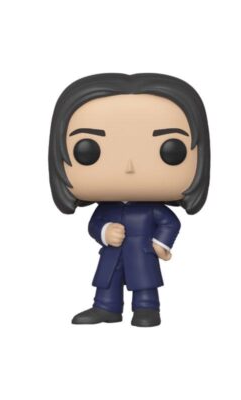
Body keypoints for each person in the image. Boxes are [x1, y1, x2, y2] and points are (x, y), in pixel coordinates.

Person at [48, 73, 210, 327]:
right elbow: (94, 225)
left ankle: (147, 309)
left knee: (145, 284)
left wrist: (160, 243)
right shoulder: (107, 208)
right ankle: (106, 308)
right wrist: (104, 231)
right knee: (107, 282)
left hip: (143, 254)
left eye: (171, 151)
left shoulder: (152, 210)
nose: (129, 166)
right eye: (88, 151)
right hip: (112, 254)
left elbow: (170, 222)